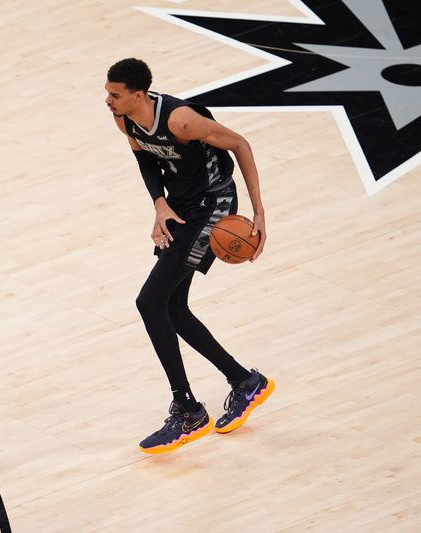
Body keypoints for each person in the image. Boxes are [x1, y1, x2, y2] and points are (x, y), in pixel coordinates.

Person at [105, 58, 275, 454]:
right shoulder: (125, 119)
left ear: (138, 94)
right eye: (107, 93)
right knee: (172, 308)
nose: (107, 101)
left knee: (150, 302)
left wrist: (260, 213)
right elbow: (145, 158)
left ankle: (187, 410)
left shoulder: (181, 121)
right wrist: (159, 204)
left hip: (213, 206)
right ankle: (245, 382)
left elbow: (240, 145)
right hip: (182, 205)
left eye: (115, 94)